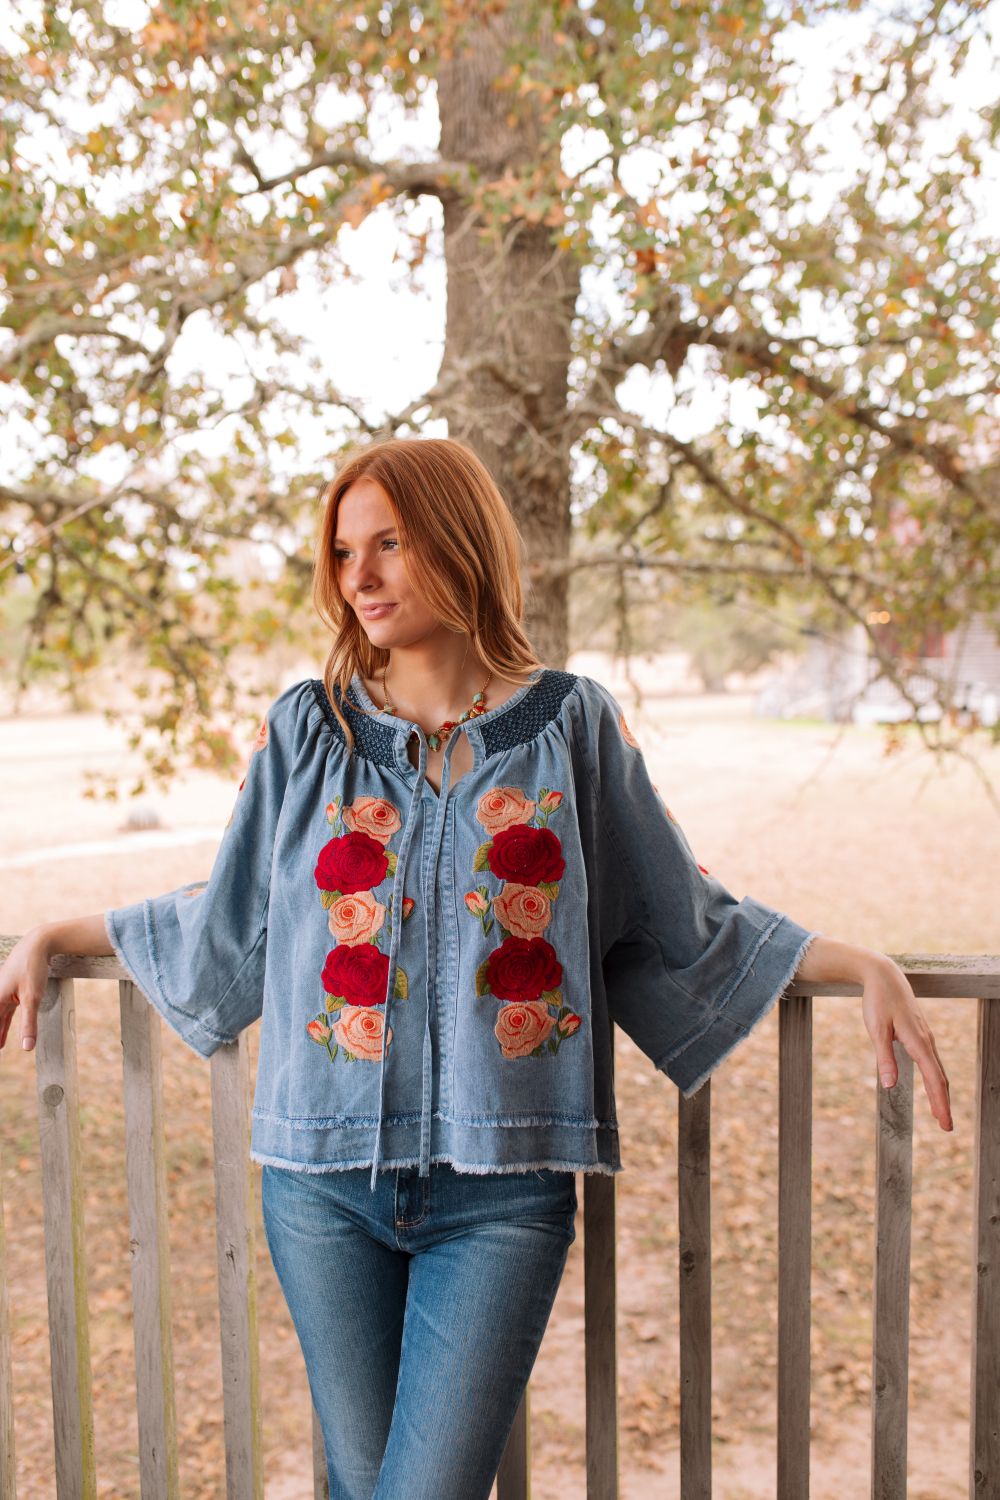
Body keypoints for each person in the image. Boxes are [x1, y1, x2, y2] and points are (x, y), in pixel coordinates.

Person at [0, 436, 953, 1499]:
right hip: (320, 1184)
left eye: (390, 543)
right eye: (343, 549)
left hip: (503, 1193)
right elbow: (235, 912)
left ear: (458, 543)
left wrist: (849, 960)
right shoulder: (308, 731)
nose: (357, 575)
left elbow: (674, 911)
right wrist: (58, 936)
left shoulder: (571, 727)